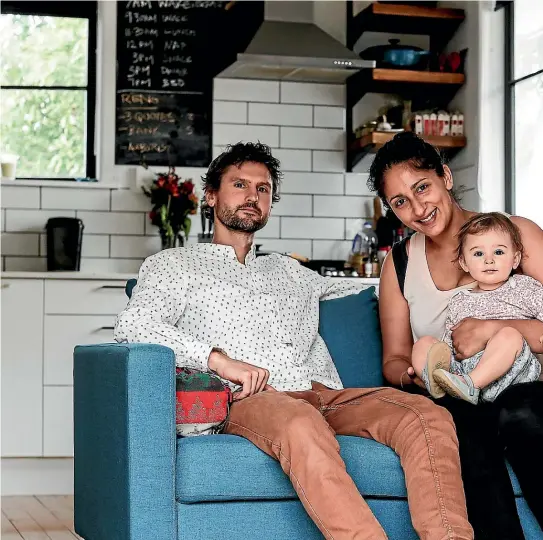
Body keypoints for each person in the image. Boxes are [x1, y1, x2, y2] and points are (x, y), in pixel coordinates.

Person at [115, 141, 474, 540]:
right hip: (249, 398)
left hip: (326, 395)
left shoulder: (292, 272)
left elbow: (381, 294)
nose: (252, 196)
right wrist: (219, 360)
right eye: (240, 185)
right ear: (211, 195)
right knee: (300, 422)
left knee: (427, 416)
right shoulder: (172, 264)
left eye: (263, 189)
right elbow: (135, 326)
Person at [369, 132, 543, 539]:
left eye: (422, 187)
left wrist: (495, 330)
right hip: (456, 393)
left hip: (525, 384)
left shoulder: (513, 235)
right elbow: (393, 358)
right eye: (400, 202)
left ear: (445, 176)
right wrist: (413, 374)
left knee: (519, 412)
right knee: (457, 429)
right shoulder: (398, 264)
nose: (418, 208)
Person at [412, 212, 542, 404]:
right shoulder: (459, 300)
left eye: (498, 252)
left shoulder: (524, 287)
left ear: (515, 259)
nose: (489, 260)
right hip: (465, 370)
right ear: (464, 263)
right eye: (478, 253)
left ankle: (472, 384)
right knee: (424, 344)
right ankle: (439, 384)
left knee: (509, 335)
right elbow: (451, 343)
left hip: (512, 373)